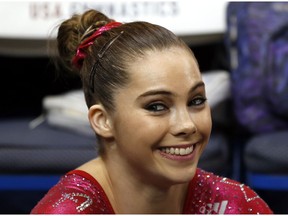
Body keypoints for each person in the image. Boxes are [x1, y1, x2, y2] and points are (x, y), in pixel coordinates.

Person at [31, 9, 273, 214]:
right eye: (157, 106)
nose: (187, 125)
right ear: (103, 120)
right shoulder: (64, 210)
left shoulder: (236, 204)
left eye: (196, 100)